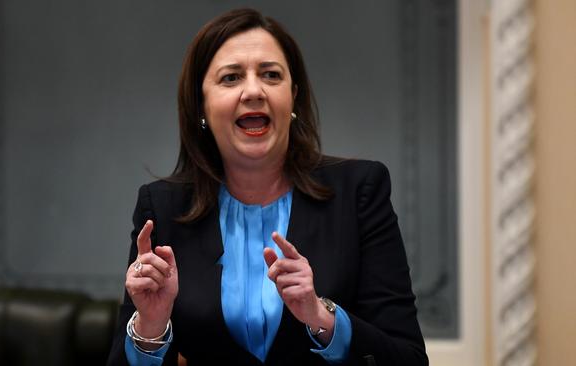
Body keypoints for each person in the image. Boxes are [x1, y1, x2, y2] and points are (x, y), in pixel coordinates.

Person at [107, 8, 427, 366]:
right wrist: (151, 325)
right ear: (201, 104)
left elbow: (409, 358)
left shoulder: (359, 191)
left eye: (271, 75)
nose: (254, 91)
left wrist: (322, 319)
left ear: (292, 96)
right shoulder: (163, 207)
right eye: (231, 78)